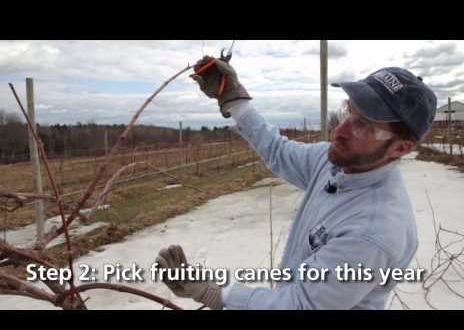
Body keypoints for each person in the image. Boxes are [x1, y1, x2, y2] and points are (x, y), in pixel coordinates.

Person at [155, 55, 437, 310]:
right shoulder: (336, 163)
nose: (340, 129)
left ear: (400, 148)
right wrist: (234, 100)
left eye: (364, 125)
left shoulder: (372, 231)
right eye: (348, 111)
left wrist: (215, 293)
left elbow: (299, 304)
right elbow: (277, 150)